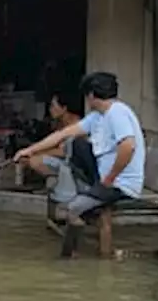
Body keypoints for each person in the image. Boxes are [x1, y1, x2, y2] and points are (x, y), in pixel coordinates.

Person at [15, 72, 145, 257]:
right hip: (104, 178)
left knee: (72, 209)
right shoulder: (98, 116)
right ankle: (89, 203)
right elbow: (63, 134)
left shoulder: (117, 113)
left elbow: (128, 146)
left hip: (118, 184)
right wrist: (30, 150)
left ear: (91, 95)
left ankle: (69, 257)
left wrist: (110, 178)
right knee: (75, 143)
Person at [27, 91, 87, 209]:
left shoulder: (76, 125)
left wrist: (39, 151)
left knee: (36, 159)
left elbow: (65, 152)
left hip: (75, 165)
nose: (50, 109)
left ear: (64, 108)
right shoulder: (60, 124)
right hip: (64, 160)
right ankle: (55, 184)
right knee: (33, 160)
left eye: (53, 106)